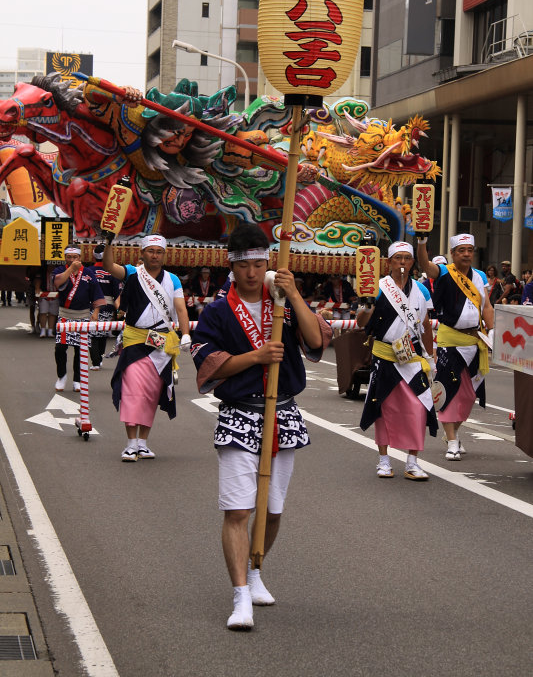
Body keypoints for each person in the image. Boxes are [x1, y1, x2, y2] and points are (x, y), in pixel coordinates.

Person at [190, 222, 331, 631]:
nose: (252, 272)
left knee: (272, 510)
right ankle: (239, 597)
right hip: (239, 412)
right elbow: (208, 363)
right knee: (238, 509)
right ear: (230, 266)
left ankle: (255, 572)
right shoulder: (217, 311)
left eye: (258, 263)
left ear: (268, 262)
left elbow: (316, 341)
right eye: (243, 264)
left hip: (283, 411)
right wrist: (255, 356)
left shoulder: (282, 303)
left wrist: (294, 293)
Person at [102, 235, 191, 461]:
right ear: (142, 253)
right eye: (150, 251)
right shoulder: (134, 273)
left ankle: (142, 443)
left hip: (160, 343)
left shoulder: (173, 280)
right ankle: (131, 444)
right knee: (132, 391)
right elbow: (109, 266)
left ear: (164, 254)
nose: (154, 255)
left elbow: (180, 309)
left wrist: (186, 333)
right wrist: (109, 243)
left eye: (158, 251)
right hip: (134, 340)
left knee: (152, 394)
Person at [357, 241, 437, 481]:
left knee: (419, 407)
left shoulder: (421, 291)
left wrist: (430, 357)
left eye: (407, 258)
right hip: (385, 356)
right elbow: (361, 322)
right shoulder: (377, 287)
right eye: (398, 258)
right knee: (382, 408)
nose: (402, 262)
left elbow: (424, 325)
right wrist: (368, 306)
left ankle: (412, 462)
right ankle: (383, 460)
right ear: (389, 262)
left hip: (411, 358)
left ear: (413, 262)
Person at [417, 233, 494, 461]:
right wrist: (422, 242)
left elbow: (487, 305)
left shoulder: (479, 277)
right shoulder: (443, 272)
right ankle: (451, 441)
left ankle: (454, 433)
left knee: (470, 395)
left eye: (470, 250)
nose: (467, 254)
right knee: (448, 391)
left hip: (475, 341)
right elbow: (424, 264)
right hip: (451, 341)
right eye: (462, 250)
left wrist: (492, 329)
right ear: (453, 253)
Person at [53, 246, 106, 392]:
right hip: (65, 316)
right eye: (68, 257)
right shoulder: (59, 271)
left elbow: (96, 293)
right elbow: (58, 284)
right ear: (65, 258)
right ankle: (61, 376)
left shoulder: (88, 273)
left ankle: (77, 379)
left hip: (83, 316)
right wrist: (70, 269)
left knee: (80, 350)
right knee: (60, 348)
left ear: (80, 258)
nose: (71, 260)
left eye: (74, 257)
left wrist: (95, 313)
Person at [89, 245, 121, 370]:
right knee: (102, 333)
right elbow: (117, 293)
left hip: (92, 304)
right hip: (108, 305)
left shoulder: (89, 270)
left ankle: (96, 362)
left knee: (92, 333)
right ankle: (100, 359)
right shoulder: (112, 272)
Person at [38, 264, 60, 338]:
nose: (51, 266)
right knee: (43, 312)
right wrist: (37, 288)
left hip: (55, 295)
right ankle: (43, 330)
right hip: (44, 295)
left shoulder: (59, 272)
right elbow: (37, 280)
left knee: (53, 314)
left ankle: (50, 331)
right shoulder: (42, 272)